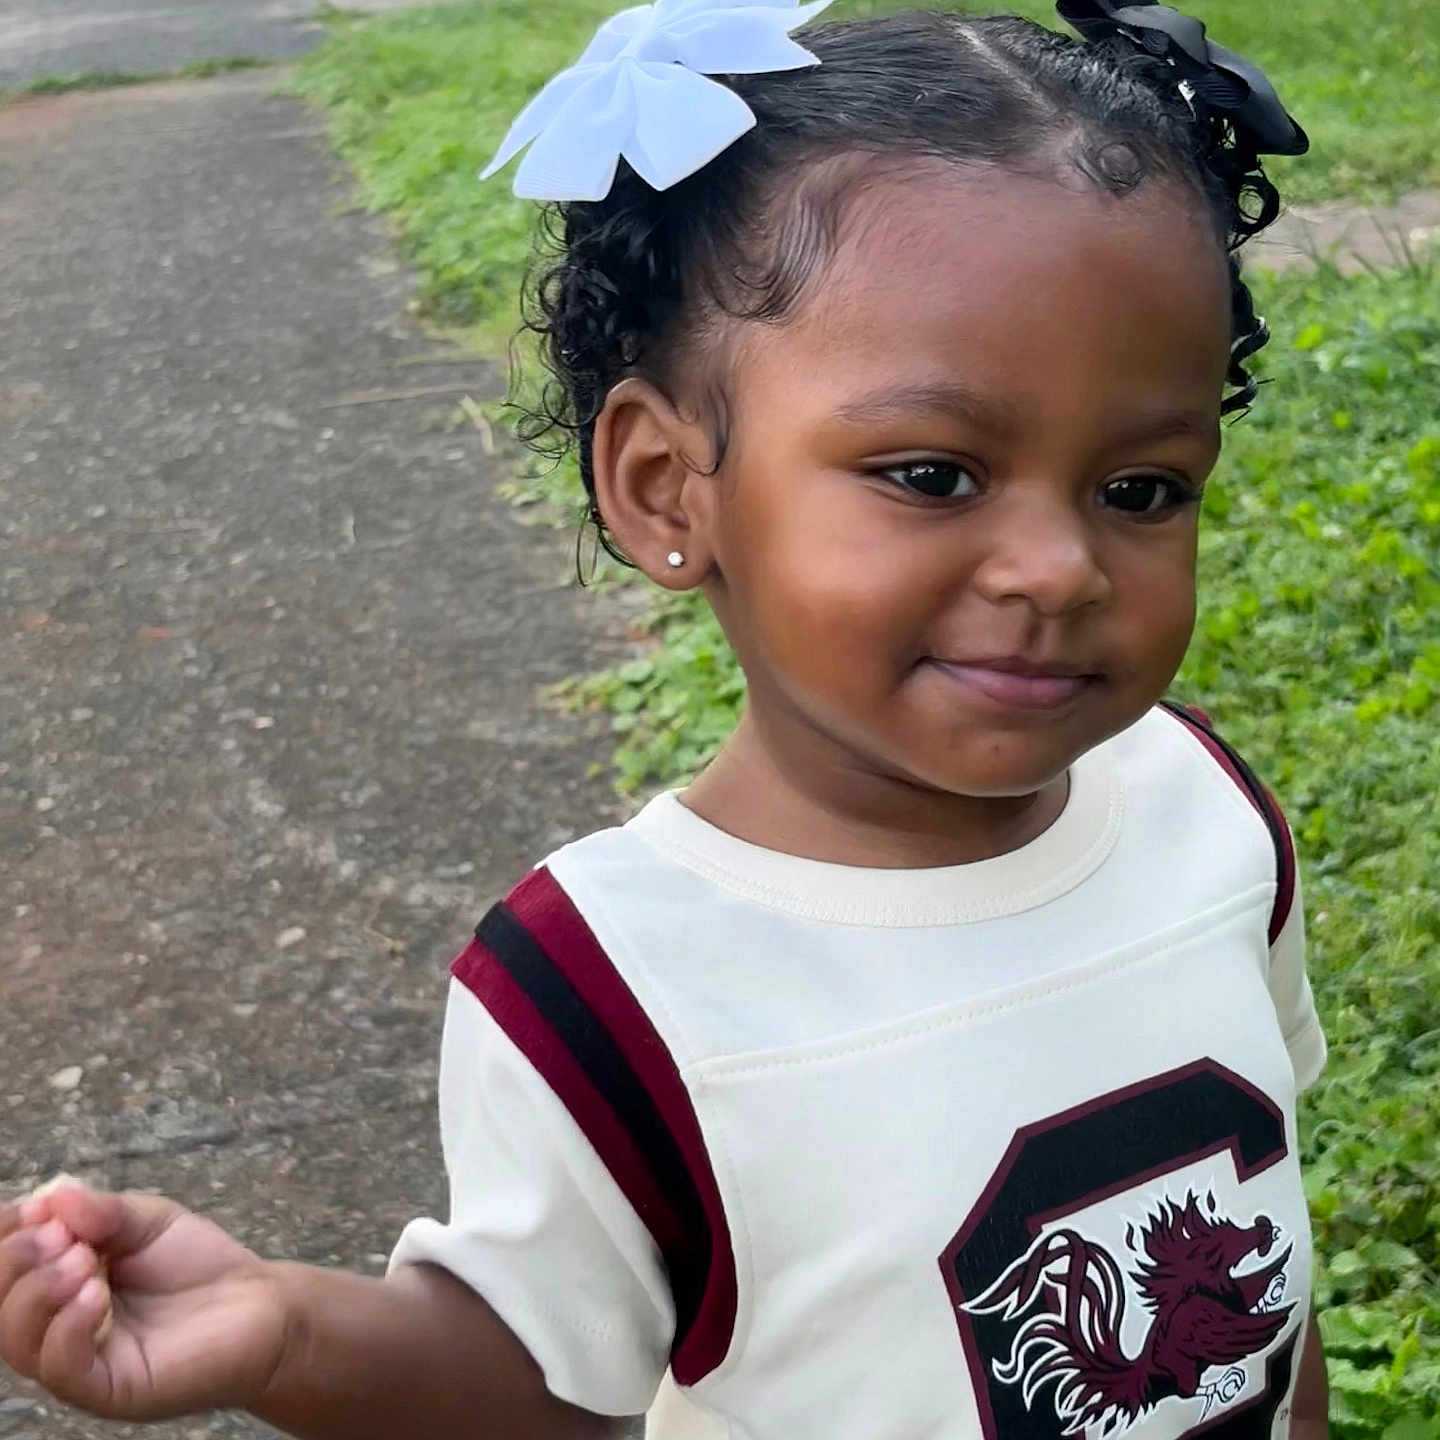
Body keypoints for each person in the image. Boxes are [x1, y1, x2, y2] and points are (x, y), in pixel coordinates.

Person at [0, 1, 1332, 1435]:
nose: (1060, 569)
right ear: (663, 486)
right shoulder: (605, 988)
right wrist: (280, 1333)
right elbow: (532, 1378)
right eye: (933, 475)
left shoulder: (1205, 814)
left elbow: (1270, 1275)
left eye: (1141, 490)